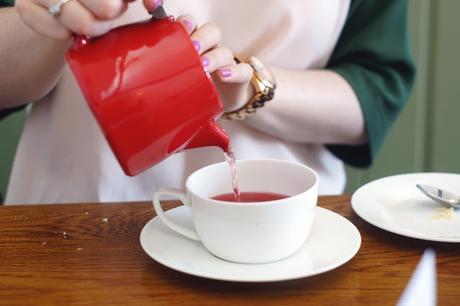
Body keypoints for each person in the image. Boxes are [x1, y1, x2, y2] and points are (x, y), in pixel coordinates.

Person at [0, 0, 415, 204]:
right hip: (77, 231)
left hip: (282, 245)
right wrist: (49, 24)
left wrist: (251, 87)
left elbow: (375, 91)